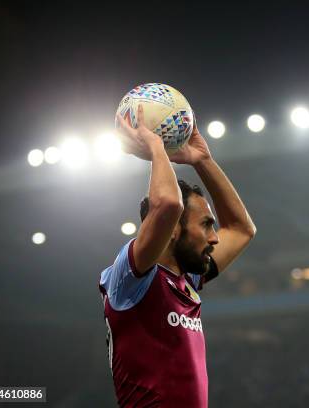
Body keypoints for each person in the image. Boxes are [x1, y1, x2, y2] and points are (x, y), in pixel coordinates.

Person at [98, 104, 256, 407]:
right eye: (206, 225)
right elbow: (168, 205)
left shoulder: (187, 279)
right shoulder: (132, 279)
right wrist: (156, 144)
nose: (214, 237)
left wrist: (203, 161)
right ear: (171, 230)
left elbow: (241, 229)